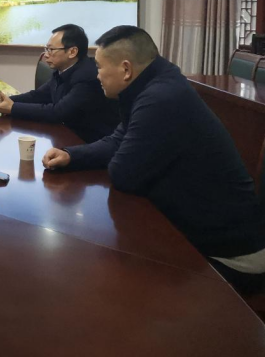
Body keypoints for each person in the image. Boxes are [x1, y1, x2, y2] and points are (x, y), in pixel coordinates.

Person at [42, 26, 265, 292]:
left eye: (100, 67)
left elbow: (123, 174)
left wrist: (120, 153)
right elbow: (119, 139)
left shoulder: (161, 98)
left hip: (231, 256)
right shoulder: (152, 85)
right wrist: (71, 155)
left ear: (126, 69)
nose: (96, 74)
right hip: (197, 233)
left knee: (104, 283)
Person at [0, 24, 119, 143]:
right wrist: (6, 100)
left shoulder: (87, 76)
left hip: (91, 143)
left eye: (51, 50)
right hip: (67, 135)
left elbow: (58, 112)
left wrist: (12, 108)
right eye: (46, 49)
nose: (46, 55)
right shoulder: (62, 69)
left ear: (72, 52)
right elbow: (38, 96)